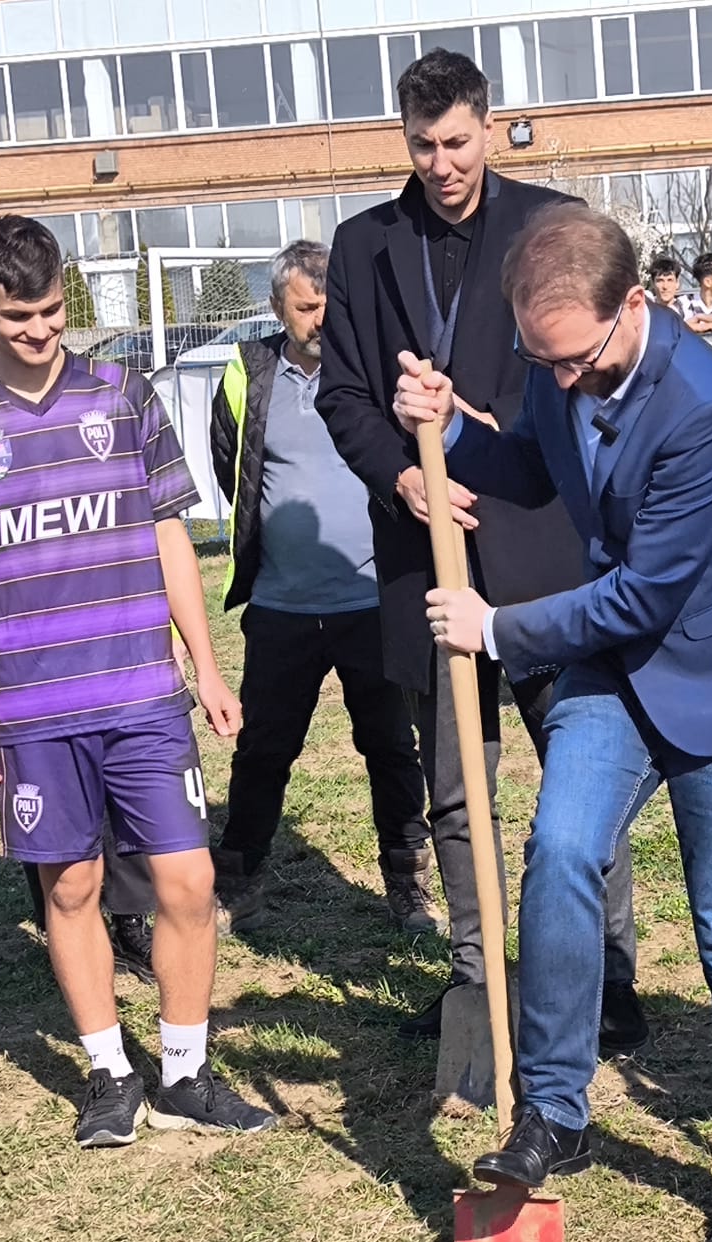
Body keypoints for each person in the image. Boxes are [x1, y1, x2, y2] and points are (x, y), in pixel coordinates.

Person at [392, 203, 712, 1242]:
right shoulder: (556, 363)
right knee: (561, 855)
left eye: (577, 360)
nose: (564, 380)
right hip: (621, 675)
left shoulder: (707, 410)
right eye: (547, 363)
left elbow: (638, 597)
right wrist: (446, 428)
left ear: (633, 303)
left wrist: (495, 629)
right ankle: (553, 1111)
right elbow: (536, 463)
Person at [0, 214, 275, 1149]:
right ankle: (111, 1074)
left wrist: (204, 665)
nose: (39, 331)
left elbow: (167, 534)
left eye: (50, 310)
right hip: (33, 710)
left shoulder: (124, 395)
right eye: (18, 316)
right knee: (70, 891)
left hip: (142, 693)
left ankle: (188, 1072)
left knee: (188, 881)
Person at [317, 49, 644, 1050]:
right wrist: (406, 475)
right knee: (456, 794)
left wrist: (480, 435)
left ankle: (609, 979)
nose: (439, 163)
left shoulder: (551, 225)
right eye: (420, 146)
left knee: (580, 775)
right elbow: (342, 394)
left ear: (488, 128)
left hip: (539, 552)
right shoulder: (364, 245)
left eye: (455, 142)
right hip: (427, 561)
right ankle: (473, 981)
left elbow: (591, 382)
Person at [209, 239, 438, 936]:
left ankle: (407, 885)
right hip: (281, 606)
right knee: (263, 751)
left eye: (330, 306)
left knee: (392, 749)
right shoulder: (247, 373)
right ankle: (238, 878)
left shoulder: (373, 373)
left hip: (373, 602)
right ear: (279, 306)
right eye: (308, 307)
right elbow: (232, 466)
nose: (322, 319)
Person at [0, 313, 161, 977]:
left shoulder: (109, 417)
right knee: (57, 819)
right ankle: (69, 921)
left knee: (125, 809)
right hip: (30, 665)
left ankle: (129, 922)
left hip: (113, 653)